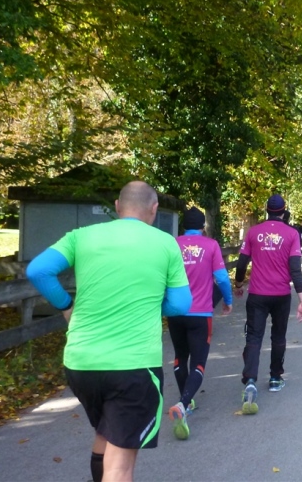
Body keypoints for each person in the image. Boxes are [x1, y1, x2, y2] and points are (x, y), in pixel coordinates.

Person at [26, 181, 192, 482]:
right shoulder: (166, 243)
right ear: (154, 209)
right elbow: (181, 304)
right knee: (120, 468)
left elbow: (38, 270)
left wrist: (66, 305)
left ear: (117, 206)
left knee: (106, 434)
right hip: (133, 367)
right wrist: (148, 303)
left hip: (81, 365)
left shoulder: (81, 236)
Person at [233, 194, 302, 414]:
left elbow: (242, 262)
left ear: (267, 210)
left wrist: (238, 284)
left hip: (257, 294)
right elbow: (295, 268)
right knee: (278, 337)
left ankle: (250, 380)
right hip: (281, 294)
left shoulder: (253, 232)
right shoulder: (292, 234)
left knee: (254, 337)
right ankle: (275, 378)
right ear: (284, 211)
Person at [167, 207, 233, 440]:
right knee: (198, 361)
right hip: (200, 313)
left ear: (183, 225)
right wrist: (228, 300)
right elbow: (222, 278)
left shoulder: (172, 244)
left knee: (179, 357)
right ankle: (183, 403)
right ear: (203, 226)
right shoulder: (211, 245)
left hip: (175, 312)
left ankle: (187, 401)